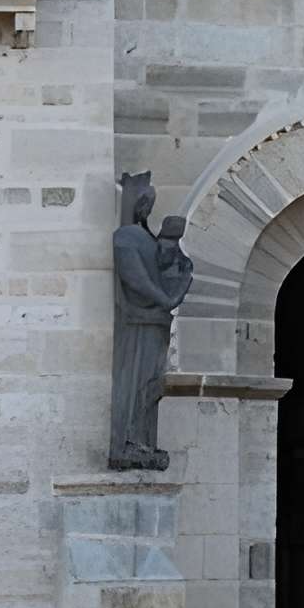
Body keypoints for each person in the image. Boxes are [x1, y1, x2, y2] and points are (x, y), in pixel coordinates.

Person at [108, 176, 192, 470]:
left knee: (149, 386)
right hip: (139, 323)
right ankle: (127, 443)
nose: (148, 207)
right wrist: (165, 298)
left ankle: (142, 442)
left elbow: (170, 271)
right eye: (146, 201)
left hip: (155, 323)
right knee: (132, 382)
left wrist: (175, 286)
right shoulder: (126, 238)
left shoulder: (145, 239)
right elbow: (136, 278)